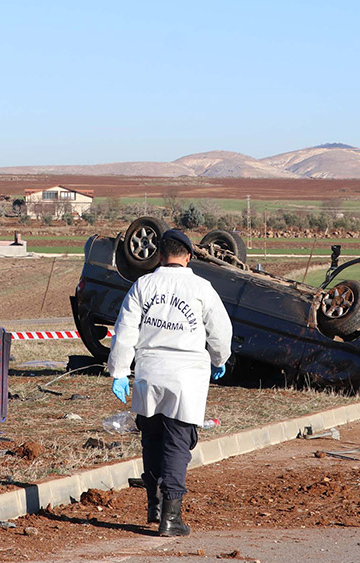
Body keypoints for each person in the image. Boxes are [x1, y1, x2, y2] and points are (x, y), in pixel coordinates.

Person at [107, 229, 232, 536]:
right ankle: (170, 518)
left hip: (149, 372)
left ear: (159, 256)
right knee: (177, 444)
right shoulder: (202, 287)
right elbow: (220, 331)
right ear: (188, 257)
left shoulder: (143, 285)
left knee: (150, 439)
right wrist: (220, 359)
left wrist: (120, 371)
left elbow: (125, 331)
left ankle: (154, 504)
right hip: (186, 376)